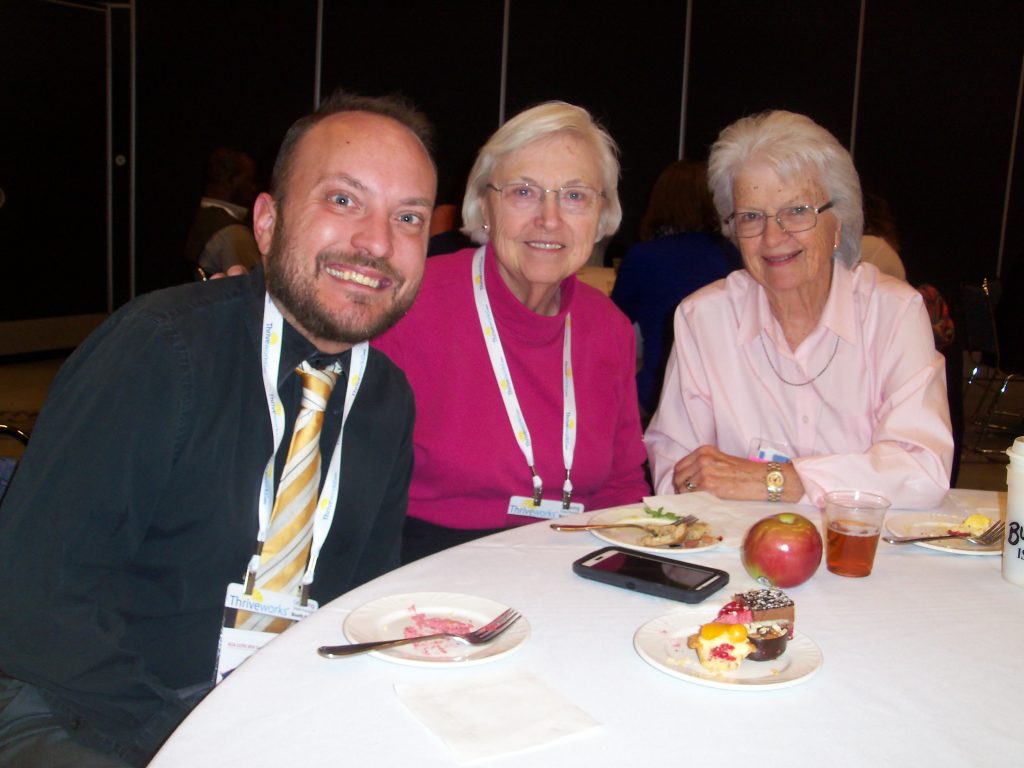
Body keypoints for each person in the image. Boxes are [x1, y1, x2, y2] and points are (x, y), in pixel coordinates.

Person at [0, 90, 436, 766]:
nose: (377, 242)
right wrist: (193, 738)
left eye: (407, 217)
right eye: (343, 200)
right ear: (267, 222)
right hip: (84, 706)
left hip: (263, 709)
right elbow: (32, 603)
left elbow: (359, 602)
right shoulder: (160, 351)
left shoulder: (386, 400)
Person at [373, 101, 650, 562]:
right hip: (432, 564)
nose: (549, 218)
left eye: (575, 196)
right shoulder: (410, 305)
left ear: (602, 215)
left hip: (574, 563)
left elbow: (622, 487)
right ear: (485, 206)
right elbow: (357, 487)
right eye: (524, 192)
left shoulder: (608, 328)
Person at [645, 110, 953, 509]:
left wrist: (780, 480)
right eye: (751, 217)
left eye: (797, 211)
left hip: (860, 544)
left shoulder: (893, 314)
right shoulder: (703, 320)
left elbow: (922, 470)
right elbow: (676, 470)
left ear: (838, 224)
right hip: (736, 541)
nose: (773, 237)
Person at [611, 159, 741, 421]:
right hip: (724, 398)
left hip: (655, 393)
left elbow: (612, 326)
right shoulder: (733, 255)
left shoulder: (643, 257)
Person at [183, 147, 262, 278]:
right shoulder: (233, 233)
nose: (253, 187)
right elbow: (258, 287)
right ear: (229, 181)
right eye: (248, 180)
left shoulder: (200, 218)